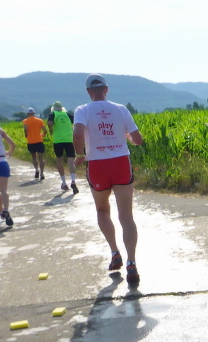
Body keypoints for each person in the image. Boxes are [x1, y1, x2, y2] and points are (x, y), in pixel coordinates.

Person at [73, 74, 144, 284]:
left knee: (102, 210)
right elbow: (137, 139)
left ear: (88, 91)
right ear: (106, 89)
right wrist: (127, 137)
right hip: (120, 162)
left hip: (97, 165)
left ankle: (114, 252)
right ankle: (132, 262)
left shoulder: (82, 109)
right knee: (126, 216)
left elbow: (78, 133)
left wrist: (79, 154)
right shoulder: (121, 109)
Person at [47, 101, 79, 194]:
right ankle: (73, 181)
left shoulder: (52, 114)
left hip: (58, 140)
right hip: (69, 139)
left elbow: (49, 123)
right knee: (71, 161)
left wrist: (51, 130)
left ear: (53, 108)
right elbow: (76, 122)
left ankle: (64, 183)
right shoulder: (67, 114)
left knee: (59, 160)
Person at [23, 107, 49, 180]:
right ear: (34, 113)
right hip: (39, 141)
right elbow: (45, 130)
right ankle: (42, 173)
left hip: (31, 141)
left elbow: (25, 129)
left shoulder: (25, 121)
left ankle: (37, 170)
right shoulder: (39, 120)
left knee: (34, 157)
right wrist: (42, 135)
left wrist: (26, 135)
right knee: (41, 158)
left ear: (28, 114)